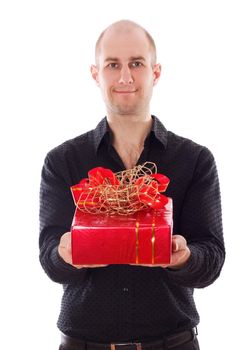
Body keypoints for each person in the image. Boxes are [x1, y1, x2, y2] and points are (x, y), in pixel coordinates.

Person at [39, 20, 225, 350]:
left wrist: (183, 257)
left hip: (173, 343)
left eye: (136, 63)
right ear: (96, 74)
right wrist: (66, 253)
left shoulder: (195, 160)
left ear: (155, 72)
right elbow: (49, 259)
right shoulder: (62, 161)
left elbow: (210, 261)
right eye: (113, 65)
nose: (125, 77)